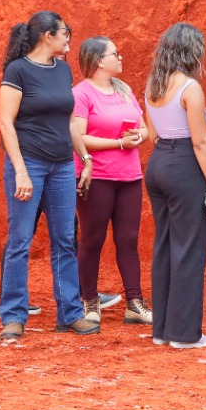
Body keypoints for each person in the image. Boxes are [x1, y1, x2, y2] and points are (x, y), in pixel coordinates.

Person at [0, 11, 97, 341]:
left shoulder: (63, 69)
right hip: (30, 165)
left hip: (62, 167)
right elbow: (5, 123)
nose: (70, 39)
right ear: (47, 37)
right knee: (20, 241)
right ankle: (13, 316)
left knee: (65, 240)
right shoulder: (18, 71)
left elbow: (68, 121)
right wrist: (21, 172)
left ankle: (70, 313)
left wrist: (84, 157)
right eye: (65, 33)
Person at [142, 22, 206, 349]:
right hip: (184, 166)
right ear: (192, 51)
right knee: (189, 249)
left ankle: (162, 330)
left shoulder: (152, 85)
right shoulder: (190, 88)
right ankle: (185, 334)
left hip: (158, 163)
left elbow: (152, 134)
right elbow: (201, 144)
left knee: (164, 246)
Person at [70, 36, 152, 328]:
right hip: (97, 177)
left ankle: (135, 304)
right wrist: (118, 143)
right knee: (93, 240)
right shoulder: (81, 94)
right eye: (115, 54)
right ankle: (89, 303)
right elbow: (77, 136)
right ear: (98, 60)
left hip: (129, 176)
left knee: (128, 240)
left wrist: (138, 138)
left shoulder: (124, 90)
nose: (120, 58)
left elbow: (143, 128)